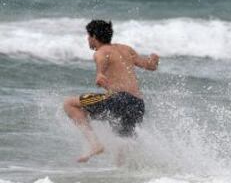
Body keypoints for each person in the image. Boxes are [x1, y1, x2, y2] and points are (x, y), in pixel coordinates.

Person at [63, 20, 159, 163]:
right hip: (138, 104)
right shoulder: (126, 49)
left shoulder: (101, 52)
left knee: (69, 104)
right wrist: (154, 60)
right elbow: (150, 66)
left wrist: (100, 75)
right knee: (123, 147)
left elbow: (102, 65)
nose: (88, 40)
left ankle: (94, 144)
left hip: (119, 100)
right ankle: (126, 180)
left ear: (94, 37)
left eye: (88, 36)